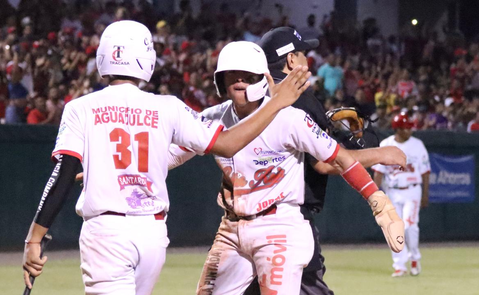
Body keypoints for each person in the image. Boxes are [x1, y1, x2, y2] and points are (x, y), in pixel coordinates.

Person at [21, 20, 312, 295]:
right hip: (152, 232)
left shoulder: (80, 107)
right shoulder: (168, 107)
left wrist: (35, 237)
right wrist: (277, 104)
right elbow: (226, 143)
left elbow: (62, 174)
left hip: (106, 232)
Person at [168, 40, 405, 294]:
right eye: (231, 74)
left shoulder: (291, 118)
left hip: (279, 226)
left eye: (248, 75)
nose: (239, 80)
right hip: (231, 229)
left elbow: (338, 158)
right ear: (220, 81)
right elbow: (169, 157)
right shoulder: (213, 117)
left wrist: (379, 203)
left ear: (263, 78)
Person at [372, 112, 431, 277]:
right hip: (392, 191)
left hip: (412, 190)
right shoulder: (386, 144)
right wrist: (374, 195)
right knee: (393, 228)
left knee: (409, 225)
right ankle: (399, 265)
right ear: (397, 129)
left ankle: (414, 258)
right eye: (406, 127)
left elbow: (426, 172)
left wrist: (425, 194)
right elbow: (378, 173)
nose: (410, 130)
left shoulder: (417, 145)